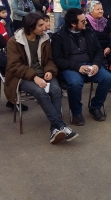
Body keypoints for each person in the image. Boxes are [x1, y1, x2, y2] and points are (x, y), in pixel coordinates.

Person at [5, 13, 78, 144]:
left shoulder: (44, 39)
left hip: (42, 74)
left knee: (56, 90)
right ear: (30, 27)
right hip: (21, 77)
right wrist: (33, 76)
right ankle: (61, 125)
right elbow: (14, 66)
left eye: (44, 24)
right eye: (40, 25)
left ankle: (55, 129)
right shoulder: (14, 41)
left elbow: (49, 59)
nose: (44, 27)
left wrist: (49, 70)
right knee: (40, 92)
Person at [52, 8, 111, 126]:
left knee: (107, 78)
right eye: (83, 21)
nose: (86, 23)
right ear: (73, 24)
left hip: (90, 65)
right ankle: (76, 113)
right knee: (75, 83)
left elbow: (99, 51)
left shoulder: (89, 32)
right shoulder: (58, 37)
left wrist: (96, 64)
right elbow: (58, 59)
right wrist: (77, 67)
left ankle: (95, 107)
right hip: (71, 68)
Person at [85, 0, 111, 91]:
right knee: (99, 62)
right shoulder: (85, 22)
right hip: (94, 49)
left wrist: (109, 47)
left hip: (106, 48)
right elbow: (87, 41)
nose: (101, 11)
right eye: (98, 9)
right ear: (91, 11)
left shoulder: (105, 21)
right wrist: (99, 50)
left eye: (101, 9)